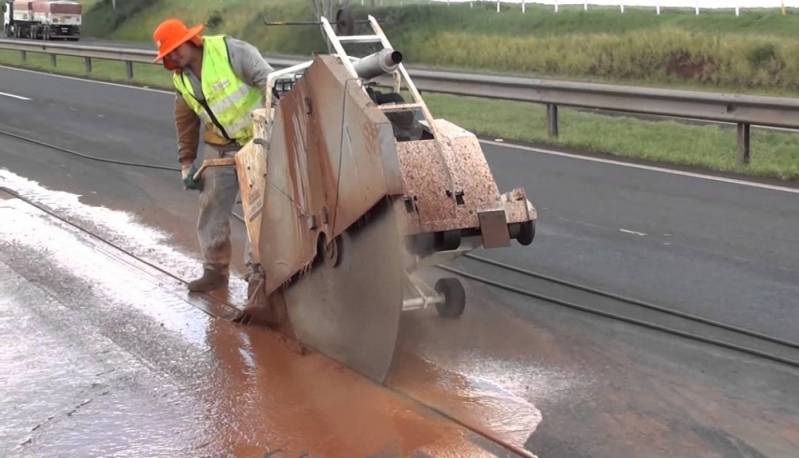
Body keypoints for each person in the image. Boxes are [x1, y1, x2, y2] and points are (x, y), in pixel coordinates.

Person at [152, 19, 272, 292]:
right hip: (221, 146)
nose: (173, 56)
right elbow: (185, 121)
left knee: (258, 212)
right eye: (167, 54)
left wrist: (272, 130)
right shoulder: (181, 79)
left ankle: (258, 278)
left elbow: (269, 83)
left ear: (190, 40)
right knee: (211, 207)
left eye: (175, 48)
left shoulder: (232, 52)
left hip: (259, 139)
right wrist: (186, 164)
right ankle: (215, 271)